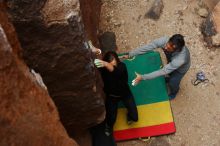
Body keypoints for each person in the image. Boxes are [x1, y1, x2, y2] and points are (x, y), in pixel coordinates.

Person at [122, 34, 191, 99]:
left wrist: (142, 77)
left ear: (177, 50)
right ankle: (169, 78)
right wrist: (130, 54)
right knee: (170, 74)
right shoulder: (164, 40)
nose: (165, 47)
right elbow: (148, 47)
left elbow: (163, 71)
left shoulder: (180, 59)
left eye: (169, 48)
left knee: (173, 82)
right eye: (167, 44)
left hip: (180, 69)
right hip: (172, 61)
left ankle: (174, 92)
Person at [94, 51, 138, 136]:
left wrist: (107, 64)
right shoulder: (103, 70)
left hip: (125, 94)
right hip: (112, 96)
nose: (113, 66)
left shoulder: (122, 67)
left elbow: (116, 72)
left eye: (115, 64)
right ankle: (109, 126)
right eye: (110, 64)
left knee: (134, 117)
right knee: (111, 120)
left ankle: (129, 115)